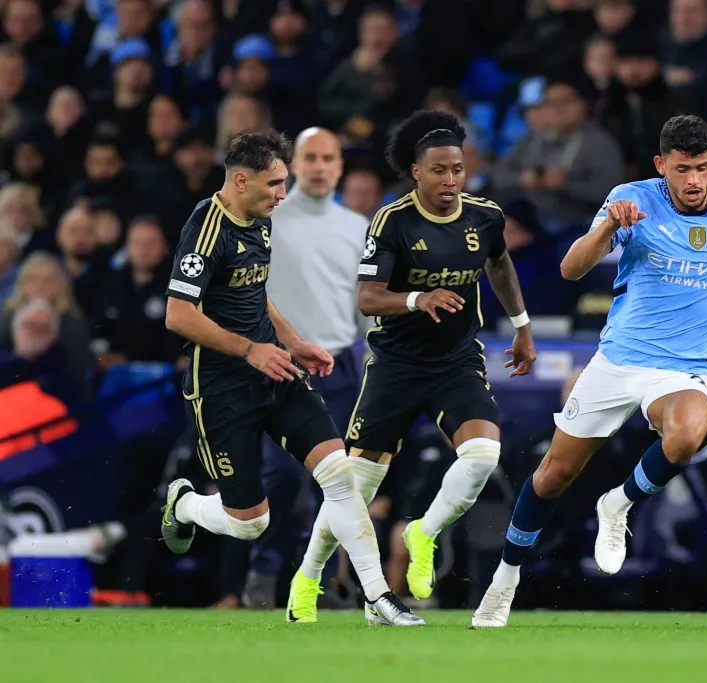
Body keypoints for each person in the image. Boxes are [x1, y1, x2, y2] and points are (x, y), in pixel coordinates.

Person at [472, 114, 707, 628]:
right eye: (682, 169)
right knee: (553, 476)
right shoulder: (634, 199)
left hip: (683, 370)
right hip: (618, 361)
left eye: (701, 168)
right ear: (660, 165)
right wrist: (607, 226)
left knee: (689, 434)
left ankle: (618, 504)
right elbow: (570, 268)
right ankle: (504, 582)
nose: (693, 181)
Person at [160, 129, 423, 627]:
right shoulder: (206, 228)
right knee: (250, 521)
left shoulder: (260, 220)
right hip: (220, 385)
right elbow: (178, 314)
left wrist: (292, 340)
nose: (284, 193)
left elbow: (255, 292)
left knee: (340, 476)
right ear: (241, 180)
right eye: (275, 183)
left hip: (276, 370)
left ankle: (378, 598)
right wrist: (249, 349)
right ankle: (187, 504)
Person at [289, 110, 537, 621]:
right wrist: (417, 298)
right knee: (354, 491)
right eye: (439, 170)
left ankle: (423, 530)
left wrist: (522, 324)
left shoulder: (484, 217)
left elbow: (499, 263)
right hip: (397, 364)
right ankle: (308, 576)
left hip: (455, 359)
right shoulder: (391, 221)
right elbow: (367, 297)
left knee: (484, 453)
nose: (450, 180)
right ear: (416, 172)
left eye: (457, 170)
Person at [240, 127, 370, 609]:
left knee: (334, 484)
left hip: (338, 366)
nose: (319, 167)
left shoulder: (358, 228)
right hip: (275, 365)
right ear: (294, 165)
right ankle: (263, 576)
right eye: (310, 157)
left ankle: (313, 584)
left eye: (328, 158)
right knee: (280, 477)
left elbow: (364, 305)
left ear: (340, 166)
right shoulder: (267, 219)